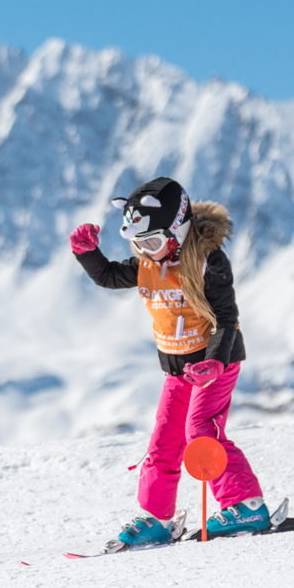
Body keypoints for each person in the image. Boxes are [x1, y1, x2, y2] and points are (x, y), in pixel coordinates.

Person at [70, 177, 269, 546]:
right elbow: (110, 277)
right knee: (164, 442)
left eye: (153, 241)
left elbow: (226, 317)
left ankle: (247, 504)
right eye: (138, 242)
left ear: (178, 230)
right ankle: (158, 518)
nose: (145, 250)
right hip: (177, 370)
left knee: (201, 431)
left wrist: (214, 362)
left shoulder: (207, 261)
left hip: (214, 365)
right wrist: (87, 253)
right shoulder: (147, 263)